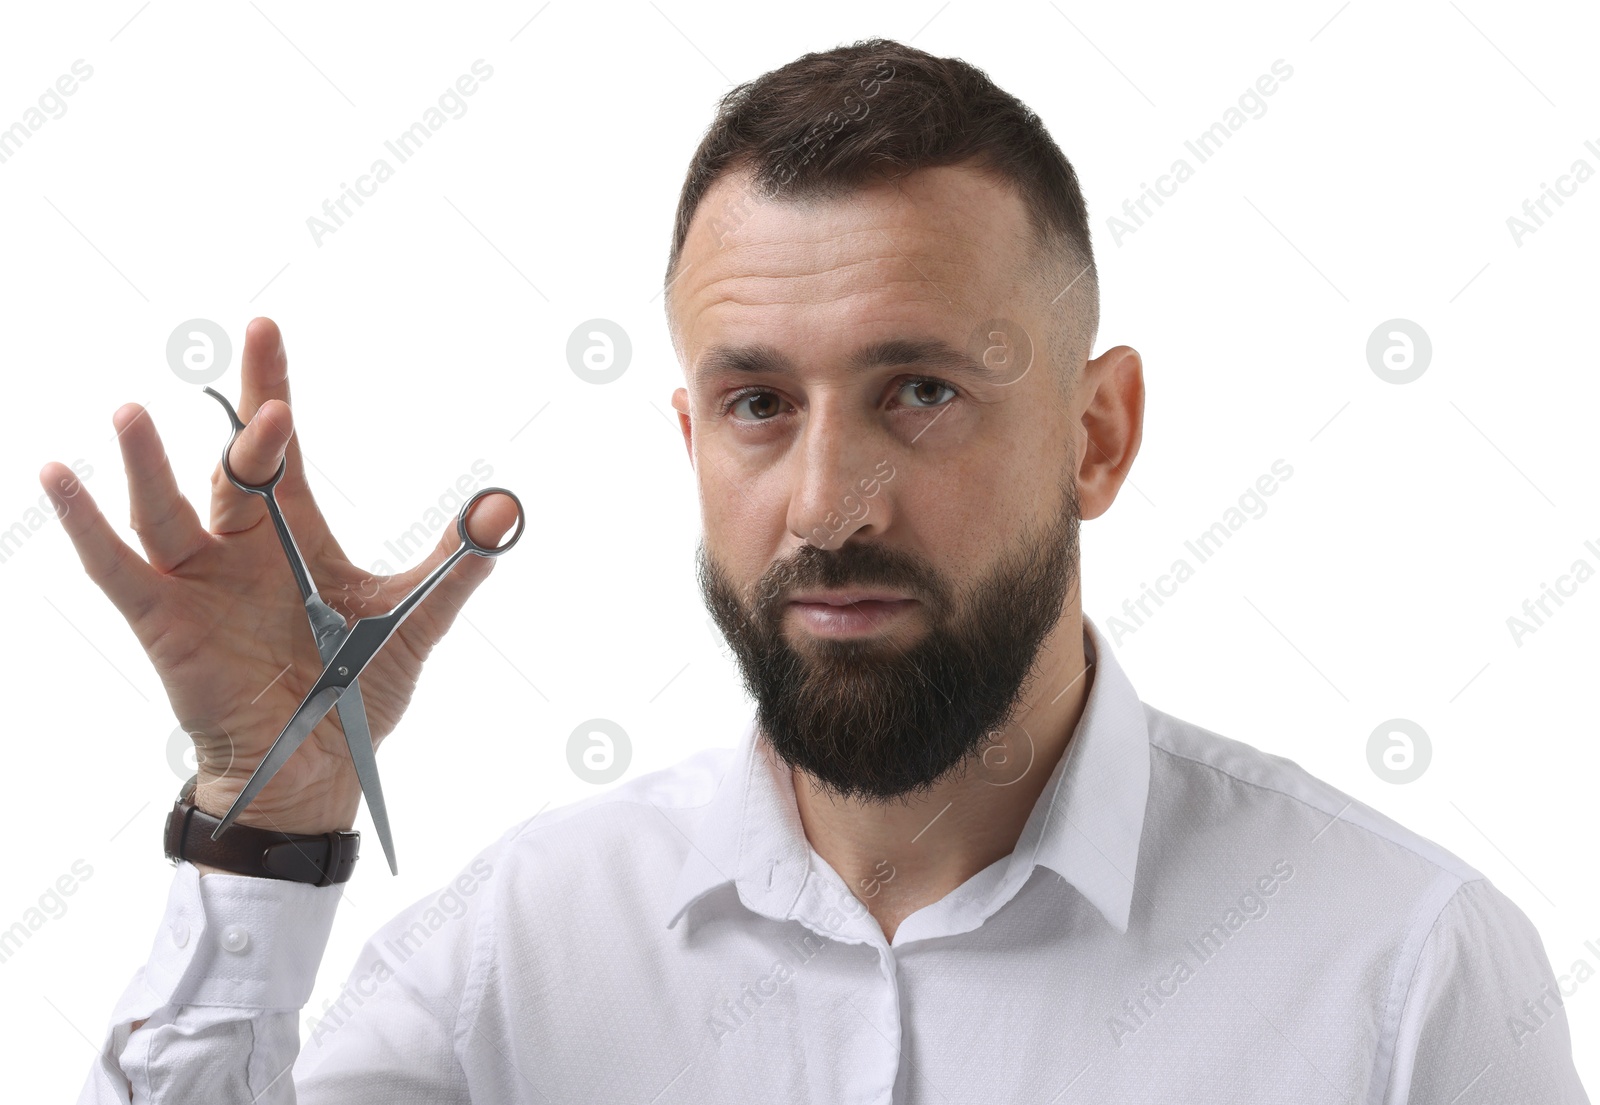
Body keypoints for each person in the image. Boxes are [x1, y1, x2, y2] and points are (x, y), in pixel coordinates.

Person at [49, 37, 1586, 1104]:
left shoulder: (1405, 975)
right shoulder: (505, 961)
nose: (827, 501)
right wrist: (272, 815)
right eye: (759, 404)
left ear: (1097, 435)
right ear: (693, 436)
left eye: (920, 389)